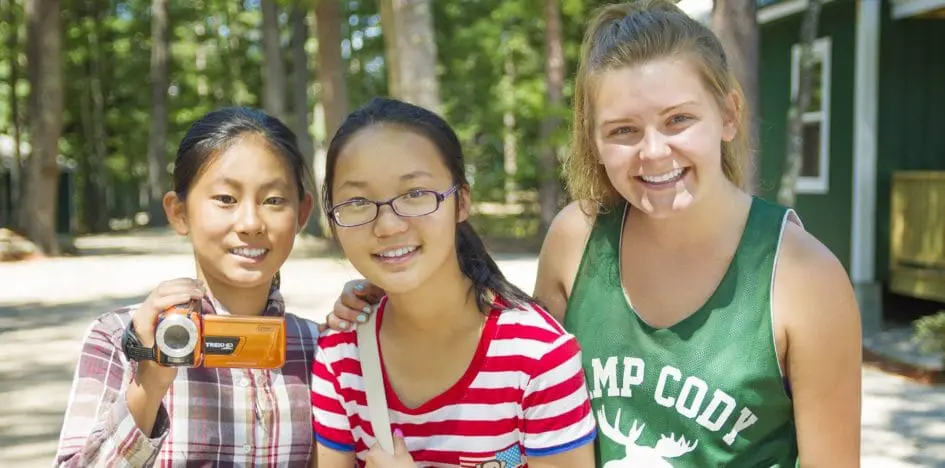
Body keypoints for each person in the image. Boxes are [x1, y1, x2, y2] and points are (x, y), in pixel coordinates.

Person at [326, 1, 863, 466]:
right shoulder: (576, 240)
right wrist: (390, 291)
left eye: (678, 120)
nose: (654, 152)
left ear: (728, 113)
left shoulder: (802, 279)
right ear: (593, 140)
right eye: (623, 131)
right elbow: (518, 406)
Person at [310, 97, 597, 468]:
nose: (388, 226)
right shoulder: (340, 356)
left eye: (415, 195)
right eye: (357, 202)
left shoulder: (537, 357)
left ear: (461, 202)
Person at [54, 107, 322, 466]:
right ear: (179, 212)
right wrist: (150, 380)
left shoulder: (321, 349)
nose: (250, 222)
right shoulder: (118, 337)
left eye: (273, 200)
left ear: (302, 213)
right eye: (226, 199)